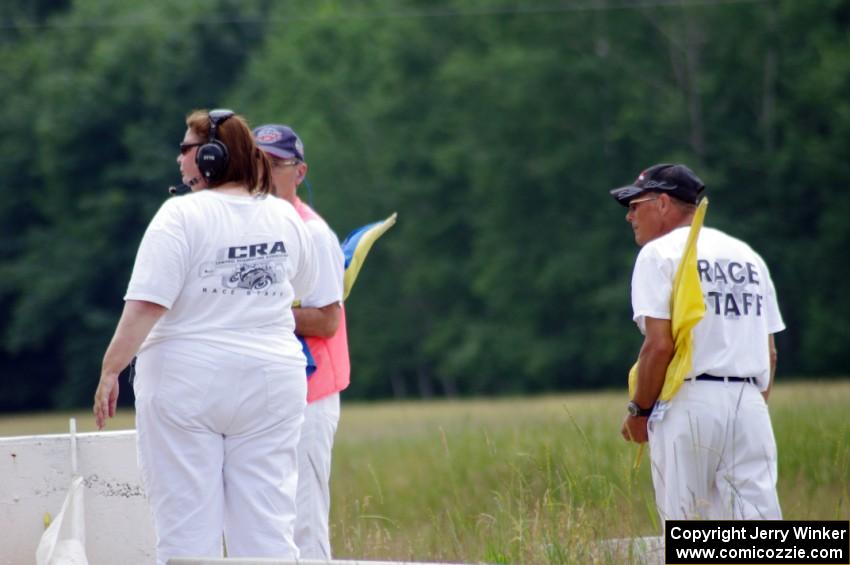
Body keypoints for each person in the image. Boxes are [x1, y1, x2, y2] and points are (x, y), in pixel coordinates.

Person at [93, 109, 318, 565]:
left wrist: (111, 368)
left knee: (186, 532)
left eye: (186, 150)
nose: (179, 160)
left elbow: (145, 305)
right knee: (268, 531)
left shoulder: (179, 216)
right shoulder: (285, 216)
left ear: (212, 157)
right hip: (272, 385)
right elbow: (302, 286)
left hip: (186, 385)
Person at [611, 163, 785, 521]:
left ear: (662, 203)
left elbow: (660, 345)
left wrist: (639, 411)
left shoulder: (658, 254)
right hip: (750, 403)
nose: (629, 216)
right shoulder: (748, 256)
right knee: (758, 536)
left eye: (634, 205)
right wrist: (750, 406)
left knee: (684, 526)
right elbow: (770, 352)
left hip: (689, 401)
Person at [254, 124, 350, 560]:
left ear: (300, 172)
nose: (266, 173)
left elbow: (328, 320)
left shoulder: (313, 234)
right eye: (257, 162)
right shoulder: (251, 229)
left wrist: (257, 312)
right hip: (267, 391)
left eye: (277, 164)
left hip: (311, 394)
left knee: (305, 521)